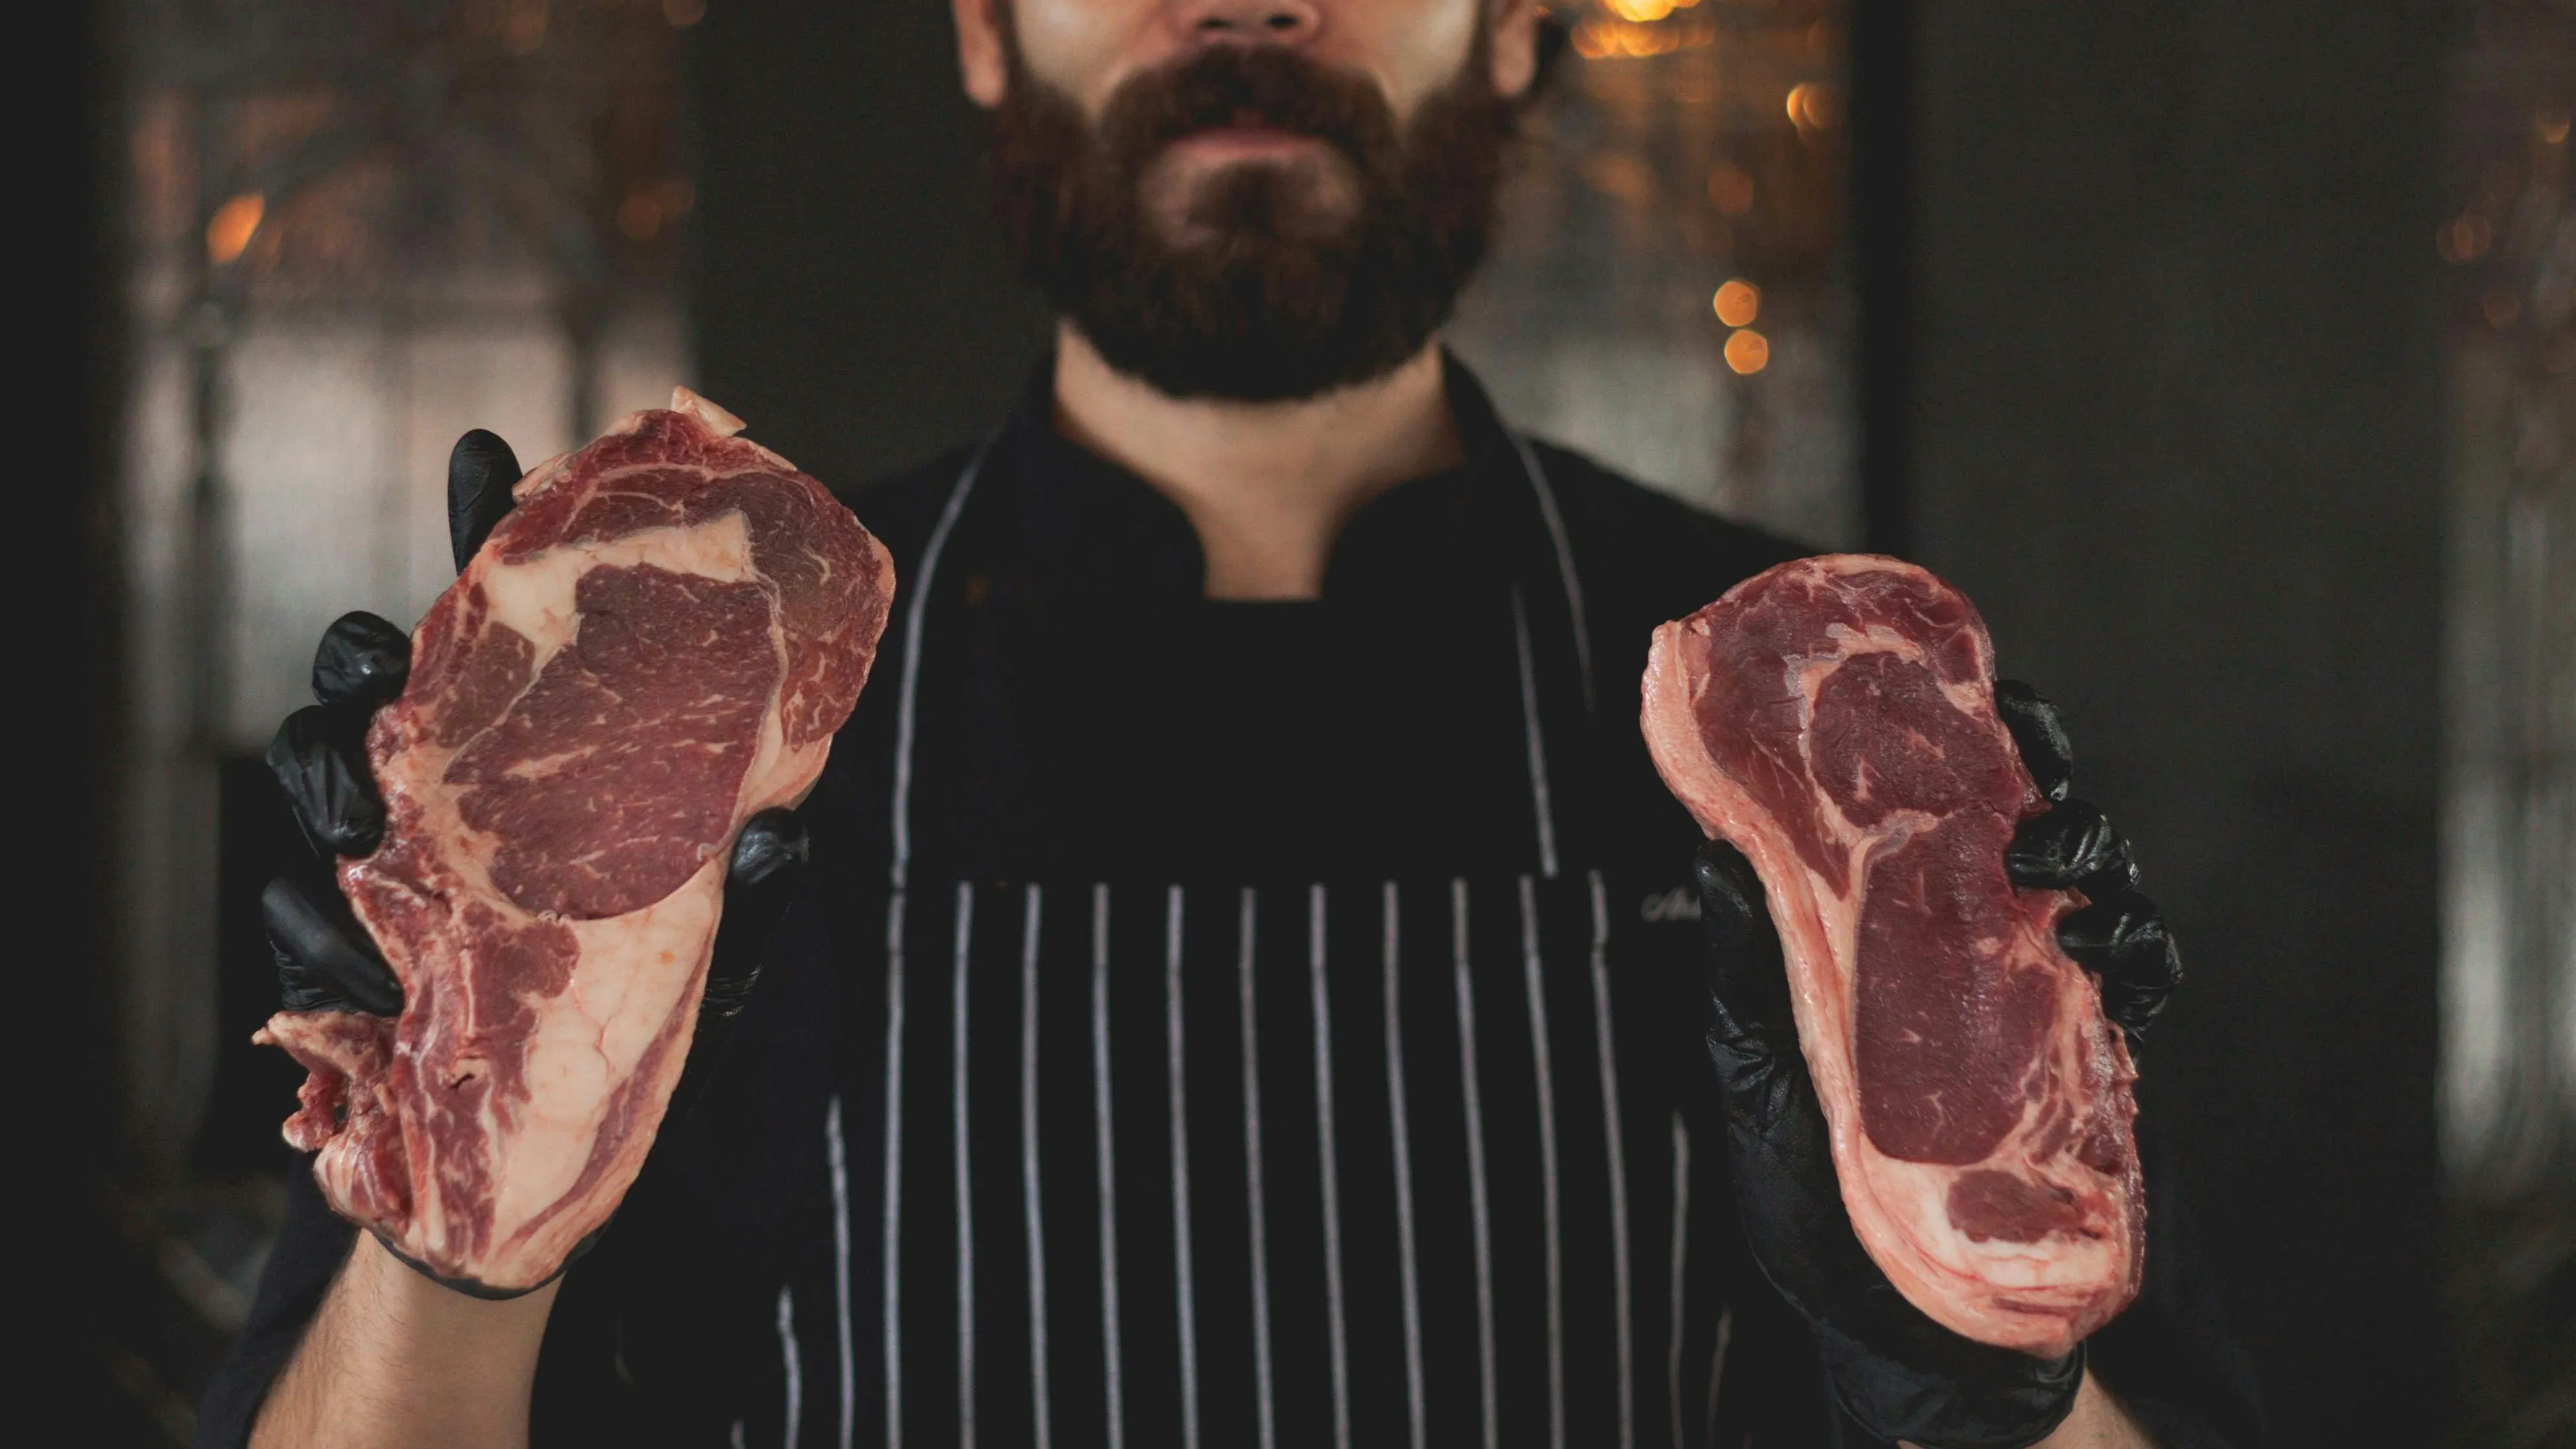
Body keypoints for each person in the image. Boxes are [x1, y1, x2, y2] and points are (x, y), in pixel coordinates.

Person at [199, 3, 2263, 1446]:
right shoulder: (695, 687)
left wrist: (1965, 1387)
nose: (1251, 4)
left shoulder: (1810, 717)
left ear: (1517, 24)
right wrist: (463, 1205)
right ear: (983, 26)